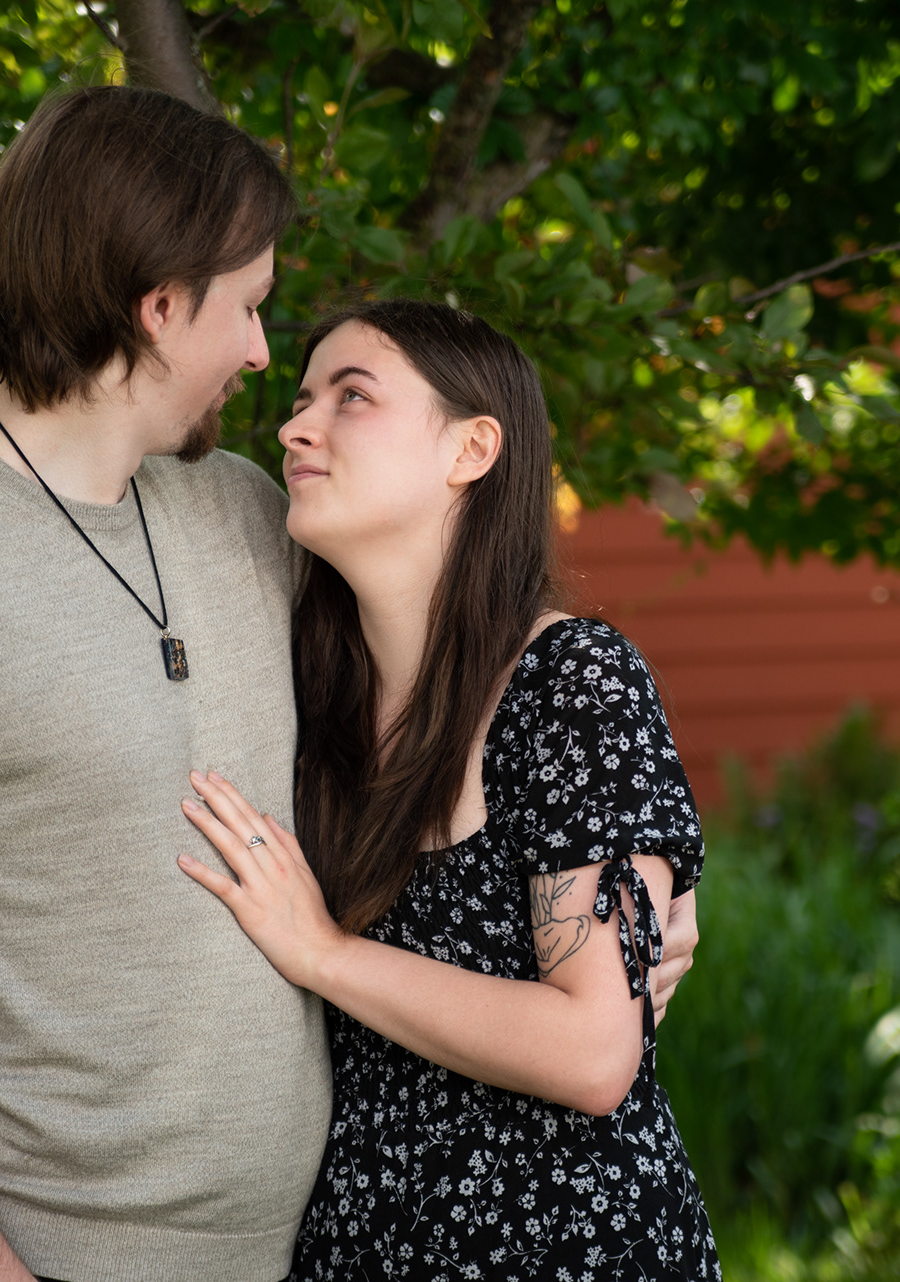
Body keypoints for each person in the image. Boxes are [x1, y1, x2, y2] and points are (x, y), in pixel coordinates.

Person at [0, 84, 699, 1282]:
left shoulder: (248, 518)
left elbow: (472, 711)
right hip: (58, 1253)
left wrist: (637, 907)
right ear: (158, 305)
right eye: (247, 306)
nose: (259, 354)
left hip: (309, 1253)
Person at [174, 300, 719, 1279]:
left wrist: (326, 954)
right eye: (300, 400)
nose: (297, 428)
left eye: (352, 397)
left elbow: (595, 1053)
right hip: (358, 1247)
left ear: (471, 448)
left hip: (564, 1250)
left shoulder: (570, 682)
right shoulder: (303, 694)